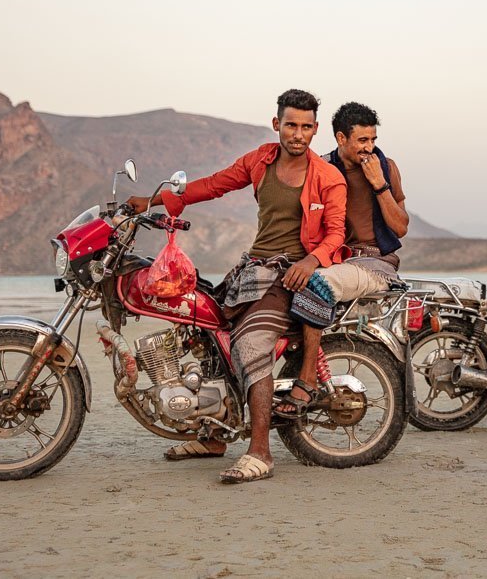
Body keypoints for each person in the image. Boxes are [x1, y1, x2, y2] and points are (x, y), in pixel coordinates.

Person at [126, 89, 346, 483]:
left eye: (306, 127)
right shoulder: (260, 160)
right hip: (253, 269)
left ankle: (261, 452)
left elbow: (335, 234)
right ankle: (214, 436)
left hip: (290, 277)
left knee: (249, 345)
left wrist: (310, 261)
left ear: (315, 130)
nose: (298, 134)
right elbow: (213, 185)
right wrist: (152, 201)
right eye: (291, 125)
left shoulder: (327, 177)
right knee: (205, 328)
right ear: (277, 124)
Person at [275, 101, 409, 416]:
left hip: (375, 264)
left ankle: (307, 380)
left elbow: (400, 228)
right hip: (332, 259)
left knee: (318, 285)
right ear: (341, 138)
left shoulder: (386, 167)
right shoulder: (320, 168)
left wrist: (380, 184)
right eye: (362, 140)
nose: (369, 147)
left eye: (372, 139)